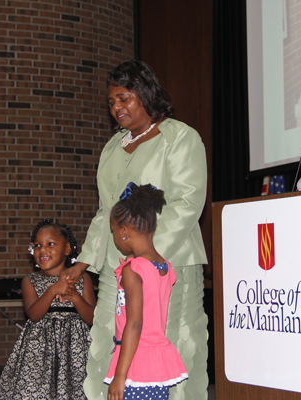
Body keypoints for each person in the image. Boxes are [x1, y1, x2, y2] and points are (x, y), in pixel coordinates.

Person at [64, 59, 208, 400]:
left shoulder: (180, 138)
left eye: (124, 98)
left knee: (171, 348)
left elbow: (187, 203)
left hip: (166, 268)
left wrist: (144, 256)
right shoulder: (113, 147)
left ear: (145, 94)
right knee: (107, 347)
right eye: (112, 101)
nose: (117, 107)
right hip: (117, 269)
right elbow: (106, 212)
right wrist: (82, 263)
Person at [0, 220, 96, 400]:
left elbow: (92, 319)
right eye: (37, 246)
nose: (43, 250)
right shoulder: (30, 280)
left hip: (75, 349)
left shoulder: (83, 279)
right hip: (38, 350)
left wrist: (75, 298)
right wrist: (53, 290)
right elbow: (33, 315)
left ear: (66, 249)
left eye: (51, 244)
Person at [105, 183, 188, 400]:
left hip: (135, 364)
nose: (114, 238)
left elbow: (135, 323)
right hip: (156, 363)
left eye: (113, 231)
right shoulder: (165, 268)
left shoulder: (133, 271)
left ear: (124, 232)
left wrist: (120, 376)